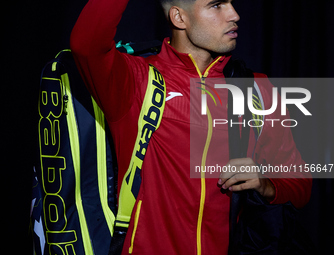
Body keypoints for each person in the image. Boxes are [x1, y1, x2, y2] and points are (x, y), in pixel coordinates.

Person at [70, 0, 312, 254]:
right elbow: (86, 44)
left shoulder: (258, 90)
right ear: (179, 18)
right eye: (216, 5)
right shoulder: (135, 80)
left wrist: (266, 184)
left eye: (231, 3)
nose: (235, 15)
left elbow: (300, 184)